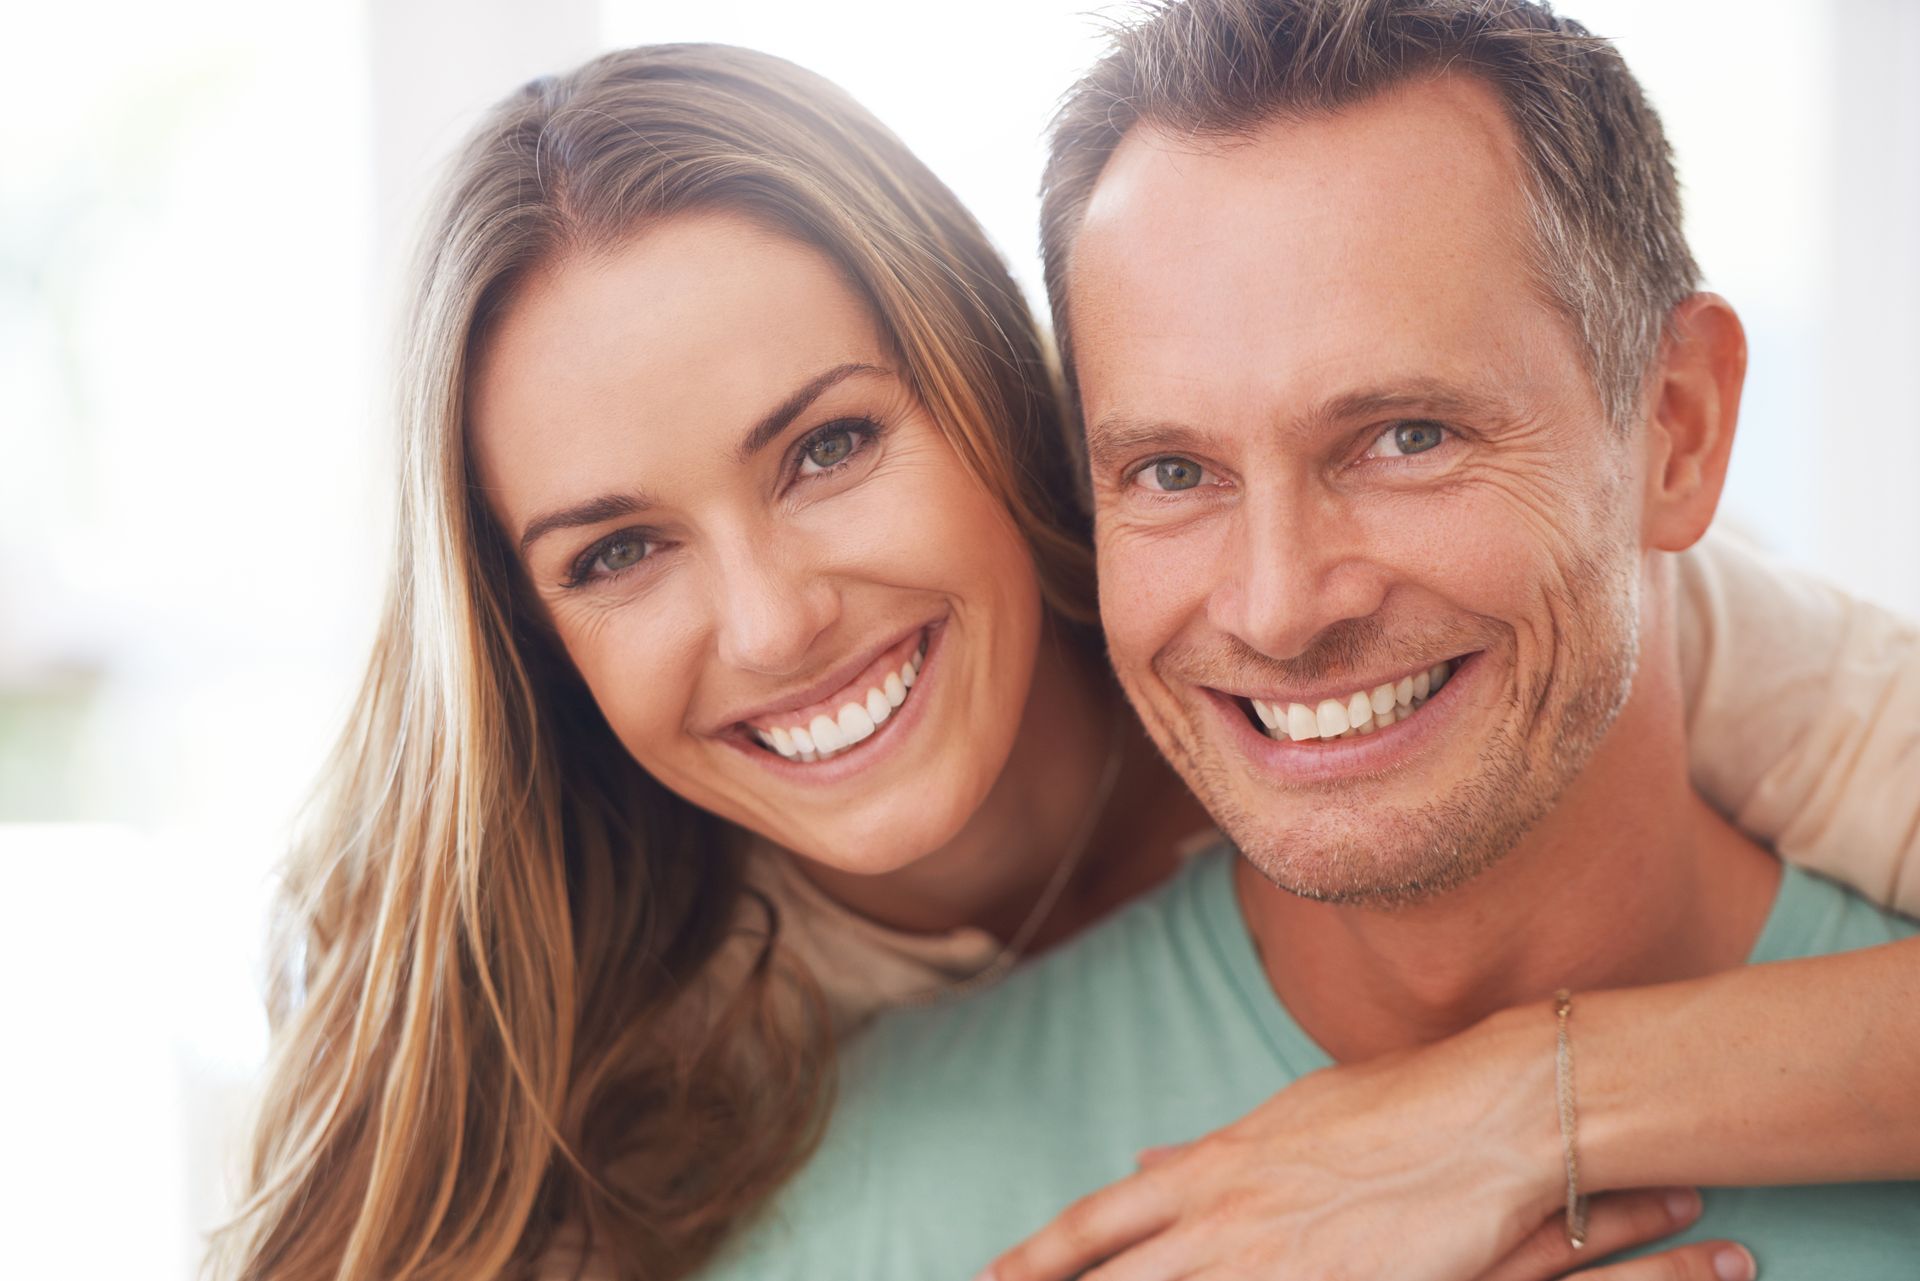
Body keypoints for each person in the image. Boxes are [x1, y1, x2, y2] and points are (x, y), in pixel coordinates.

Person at [207, 32, 1920, 1281]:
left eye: (825, 448)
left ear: (1004, 416)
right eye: (618, 549)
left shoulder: (1682, 641)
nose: (774, 621)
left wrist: (1502, 1105)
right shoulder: (615, 1008)